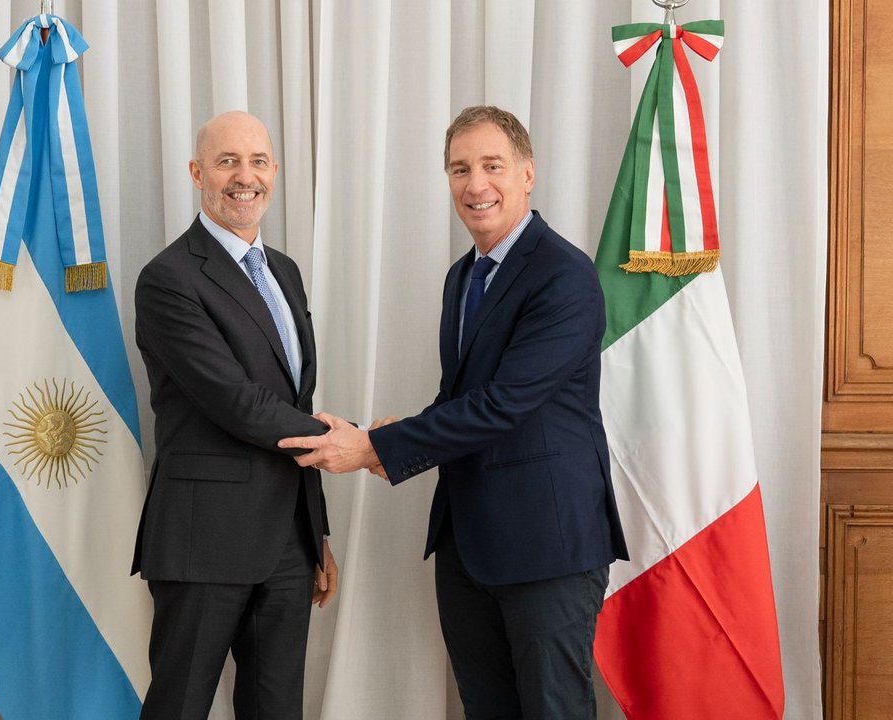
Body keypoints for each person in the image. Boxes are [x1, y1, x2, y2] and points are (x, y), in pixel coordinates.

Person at [279, 105, 628, 719]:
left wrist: (375, 448)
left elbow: (504, 404)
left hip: (547, 547)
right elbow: (465, 397)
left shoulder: (564, 275)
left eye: (493, 165)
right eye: (460, 169)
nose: (475, 184)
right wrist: (395, 438)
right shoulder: (462, 277)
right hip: (468, 544)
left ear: (528, 173)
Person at [132, 110, 338, 720]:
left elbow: (292, 400)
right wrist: (345, 440)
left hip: (288, 544)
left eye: (257, 162)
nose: (245, 177)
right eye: (227, 162)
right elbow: (237, 402)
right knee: (178, 707)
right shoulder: (167, 279)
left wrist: (316, 532)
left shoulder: (285, 272)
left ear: (274, 170)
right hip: (204, 541)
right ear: (198, 173)